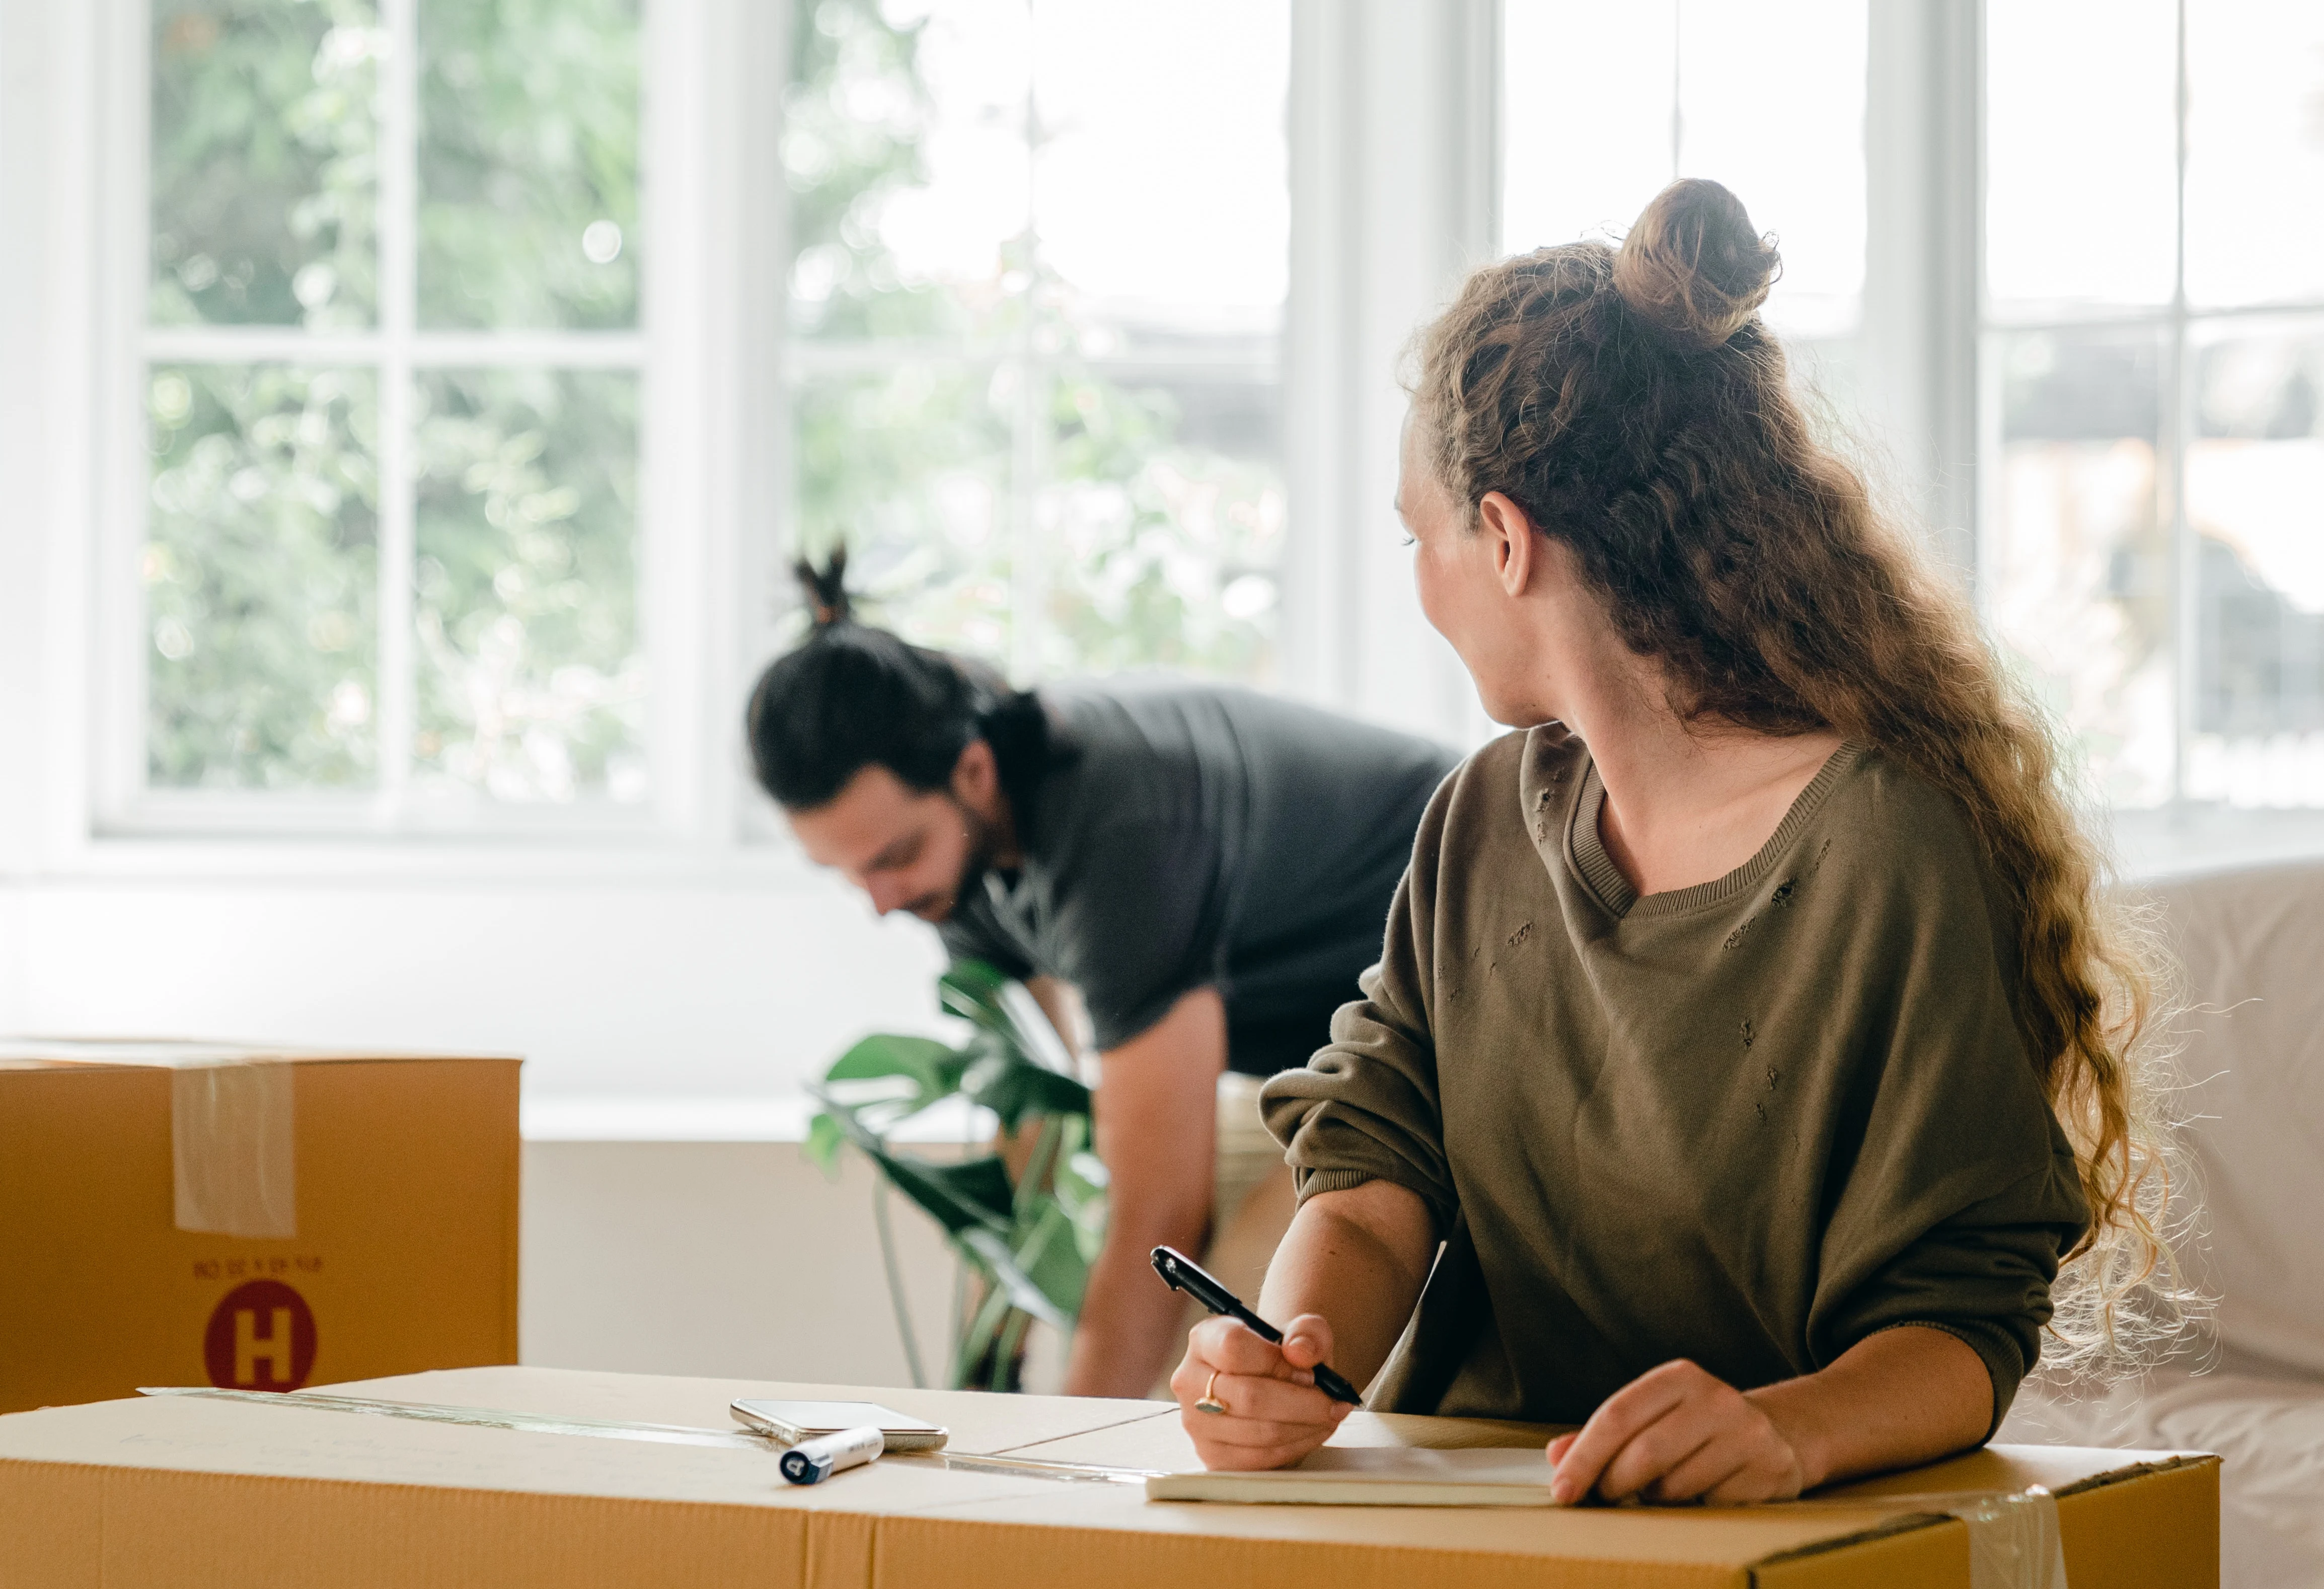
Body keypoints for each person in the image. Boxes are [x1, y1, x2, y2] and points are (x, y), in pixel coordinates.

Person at [1172, 179, 2175, 1503]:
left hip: (1755, 1537)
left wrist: (1789, 1429)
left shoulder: (1885, 846)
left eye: (1418, 536)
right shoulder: (1481, 815)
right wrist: (1289, 1356)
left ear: (1506, 540)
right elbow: (1371, 1170)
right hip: (1469, 1532)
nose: (1420, 584)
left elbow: (1963, 1325)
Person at [746, 555, 1461, 1398]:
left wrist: (1048, 1471)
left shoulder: (1118, 828)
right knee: (1164, 1333)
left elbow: (1159, 1211)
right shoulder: (957, 864)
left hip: (1458, 1016)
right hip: (1316, 1054)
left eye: (894, 859)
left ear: (972, 772)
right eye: (851, 873)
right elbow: (1037, 1107)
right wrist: (988, 1385)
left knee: (1235, 1343)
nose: (880, 902)